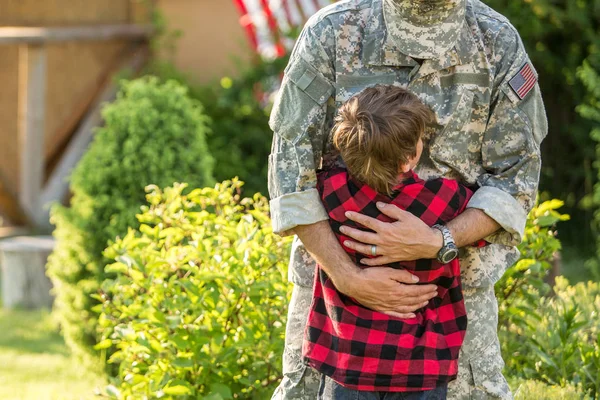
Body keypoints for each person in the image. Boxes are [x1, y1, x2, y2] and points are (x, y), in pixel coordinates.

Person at [267, 0, 547, 398]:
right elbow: (290, 175)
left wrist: (438, 240)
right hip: (337, 311)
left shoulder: (495, 41)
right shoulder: (332, 33)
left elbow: (515, 180)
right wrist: (350, 277)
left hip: (451, 310)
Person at [304, 85, 485, 399]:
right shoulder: (443, 198)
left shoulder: (329, 191)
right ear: (410, 158)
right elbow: (483, 224)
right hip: (420, 365)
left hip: (350, 359)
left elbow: (299, 204)